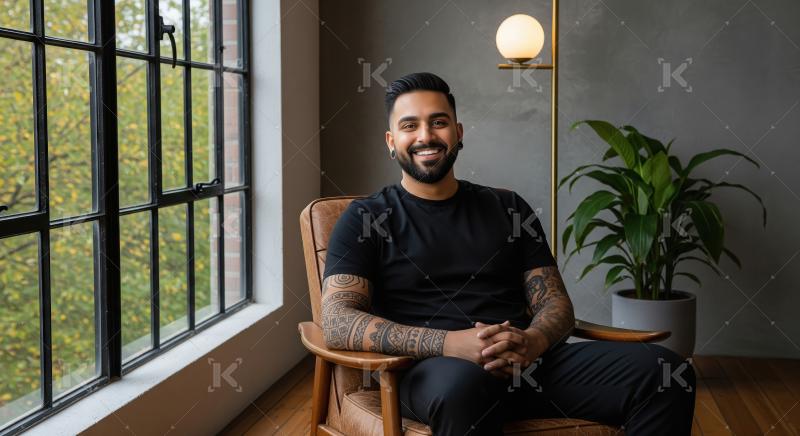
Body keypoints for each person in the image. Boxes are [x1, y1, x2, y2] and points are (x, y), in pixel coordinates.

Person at [320, 72, 695, 435]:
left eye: (438, 122)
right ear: (391, 140)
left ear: (458, 133)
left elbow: (557, 305)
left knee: (665, 373)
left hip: (528, 363)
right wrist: (451, 343)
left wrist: (532, 342)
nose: (426, 136)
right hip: (436, 371)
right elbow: (336, 320)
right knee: (462, 390)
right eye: (410, 126)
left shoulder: (507, 207)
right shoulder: (366, 218)